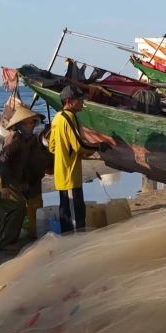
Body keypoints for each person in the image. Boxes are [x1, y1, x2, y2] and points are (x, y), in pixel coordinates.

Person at [49, 86, 109, 233]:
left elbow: (52, 146)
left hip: (61, 174)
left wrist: (68, 153)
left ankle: (67, 240)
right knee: (75, 216)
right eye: (80, 100)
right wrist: (98, 146)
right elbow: (79, 145)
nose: (82, 102)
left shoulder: (57, 117)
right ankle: (76, 242)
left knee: (65, 211)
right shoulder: (69, 117)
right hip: (70, 174)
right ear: (69, 101)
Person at [0, 106, 45, 252]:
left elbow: (29, 163)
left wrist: (25, 181)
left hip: (12, 177)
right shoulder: (14, 139)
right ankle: (5, 242)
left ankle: (6, 239)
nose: (31, 125)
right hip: (1, 177)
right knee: (17, 206)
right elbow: (2, 162)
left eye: (33, 122)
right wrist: (5, 186)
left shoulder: (30, 140)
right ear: (20, 125)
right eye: (27, 123)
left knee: (12, 208)